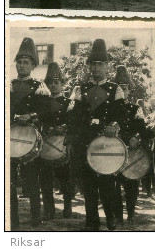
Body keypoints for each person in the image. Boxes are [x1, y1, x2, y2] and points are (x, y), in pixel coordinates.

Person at [66, 39, 125, 231]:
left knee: (107, 186)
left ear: (107, 66)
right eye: (93, 64)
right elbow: (73, 118)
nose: (97, 68)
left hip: (107, 144)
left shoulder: (115, 89)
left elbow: (120, 117)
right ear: (89, 66)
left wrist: (114, 125)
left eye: (101, 64)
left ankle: (110, 219)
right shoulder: (79, 89)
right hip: (85, 143)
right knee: (89, 187)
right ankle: (91, 223)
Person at [10, 38, 51, 230]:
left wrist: (31, 116)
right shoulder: (7, 86)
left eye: (26, 62)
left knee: (32, 183)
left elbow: (46, 112)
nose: (22, 65)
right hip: (9, 141)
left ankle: (36, 219)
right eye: (19, 62)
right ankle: (13, 221)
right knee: (8, 184)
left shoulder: (39, 87)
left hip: (29, 142)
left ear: (33, 65)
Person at [113, 65, 148, 225]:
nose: (122, 91)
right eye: (118, 88)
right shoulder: (109, 108)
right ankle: (117, 214)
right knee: (113, 185)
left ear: (129, 90)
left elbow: (143, 130)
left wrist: (137, 137)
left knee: (131, 185)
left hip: (131, 152)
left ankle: (131, 212)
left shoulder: (135, 108)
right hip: (114, 151)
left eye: (125, 88)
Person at [39, 63, 73, 220]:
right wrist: (48, 129)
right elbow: (38, 122)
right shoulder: (42, 103)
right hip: (45, 146)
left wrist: (65, 128)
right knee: (45, 182)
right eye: (50, 82)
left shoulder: (69, 103)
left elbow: (74, 123)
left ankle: (67, 208)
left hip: (63, 147)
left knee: (65, 180)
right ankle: (49, 210)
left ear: (62, 84)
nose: (53, 85)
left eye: (56, 82)